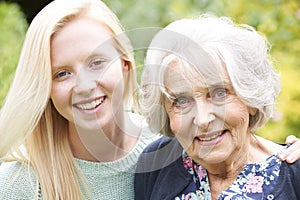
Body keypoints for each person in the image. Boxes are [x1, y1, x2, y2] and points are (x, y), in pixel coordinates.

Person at [0, 0, 159, 199]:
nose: (84, 87)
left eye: (97, 62)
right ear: (45, 88)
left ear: (125, 64)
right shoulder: (20, 184)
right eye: (62, 74)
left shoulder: (174, 152)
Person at [135, 14, 300, 200]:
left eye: (220, 93)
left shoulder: (295, 173)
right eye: (181, 101)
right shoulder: (158, 162)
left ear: (251, 99)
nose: (203, 120)